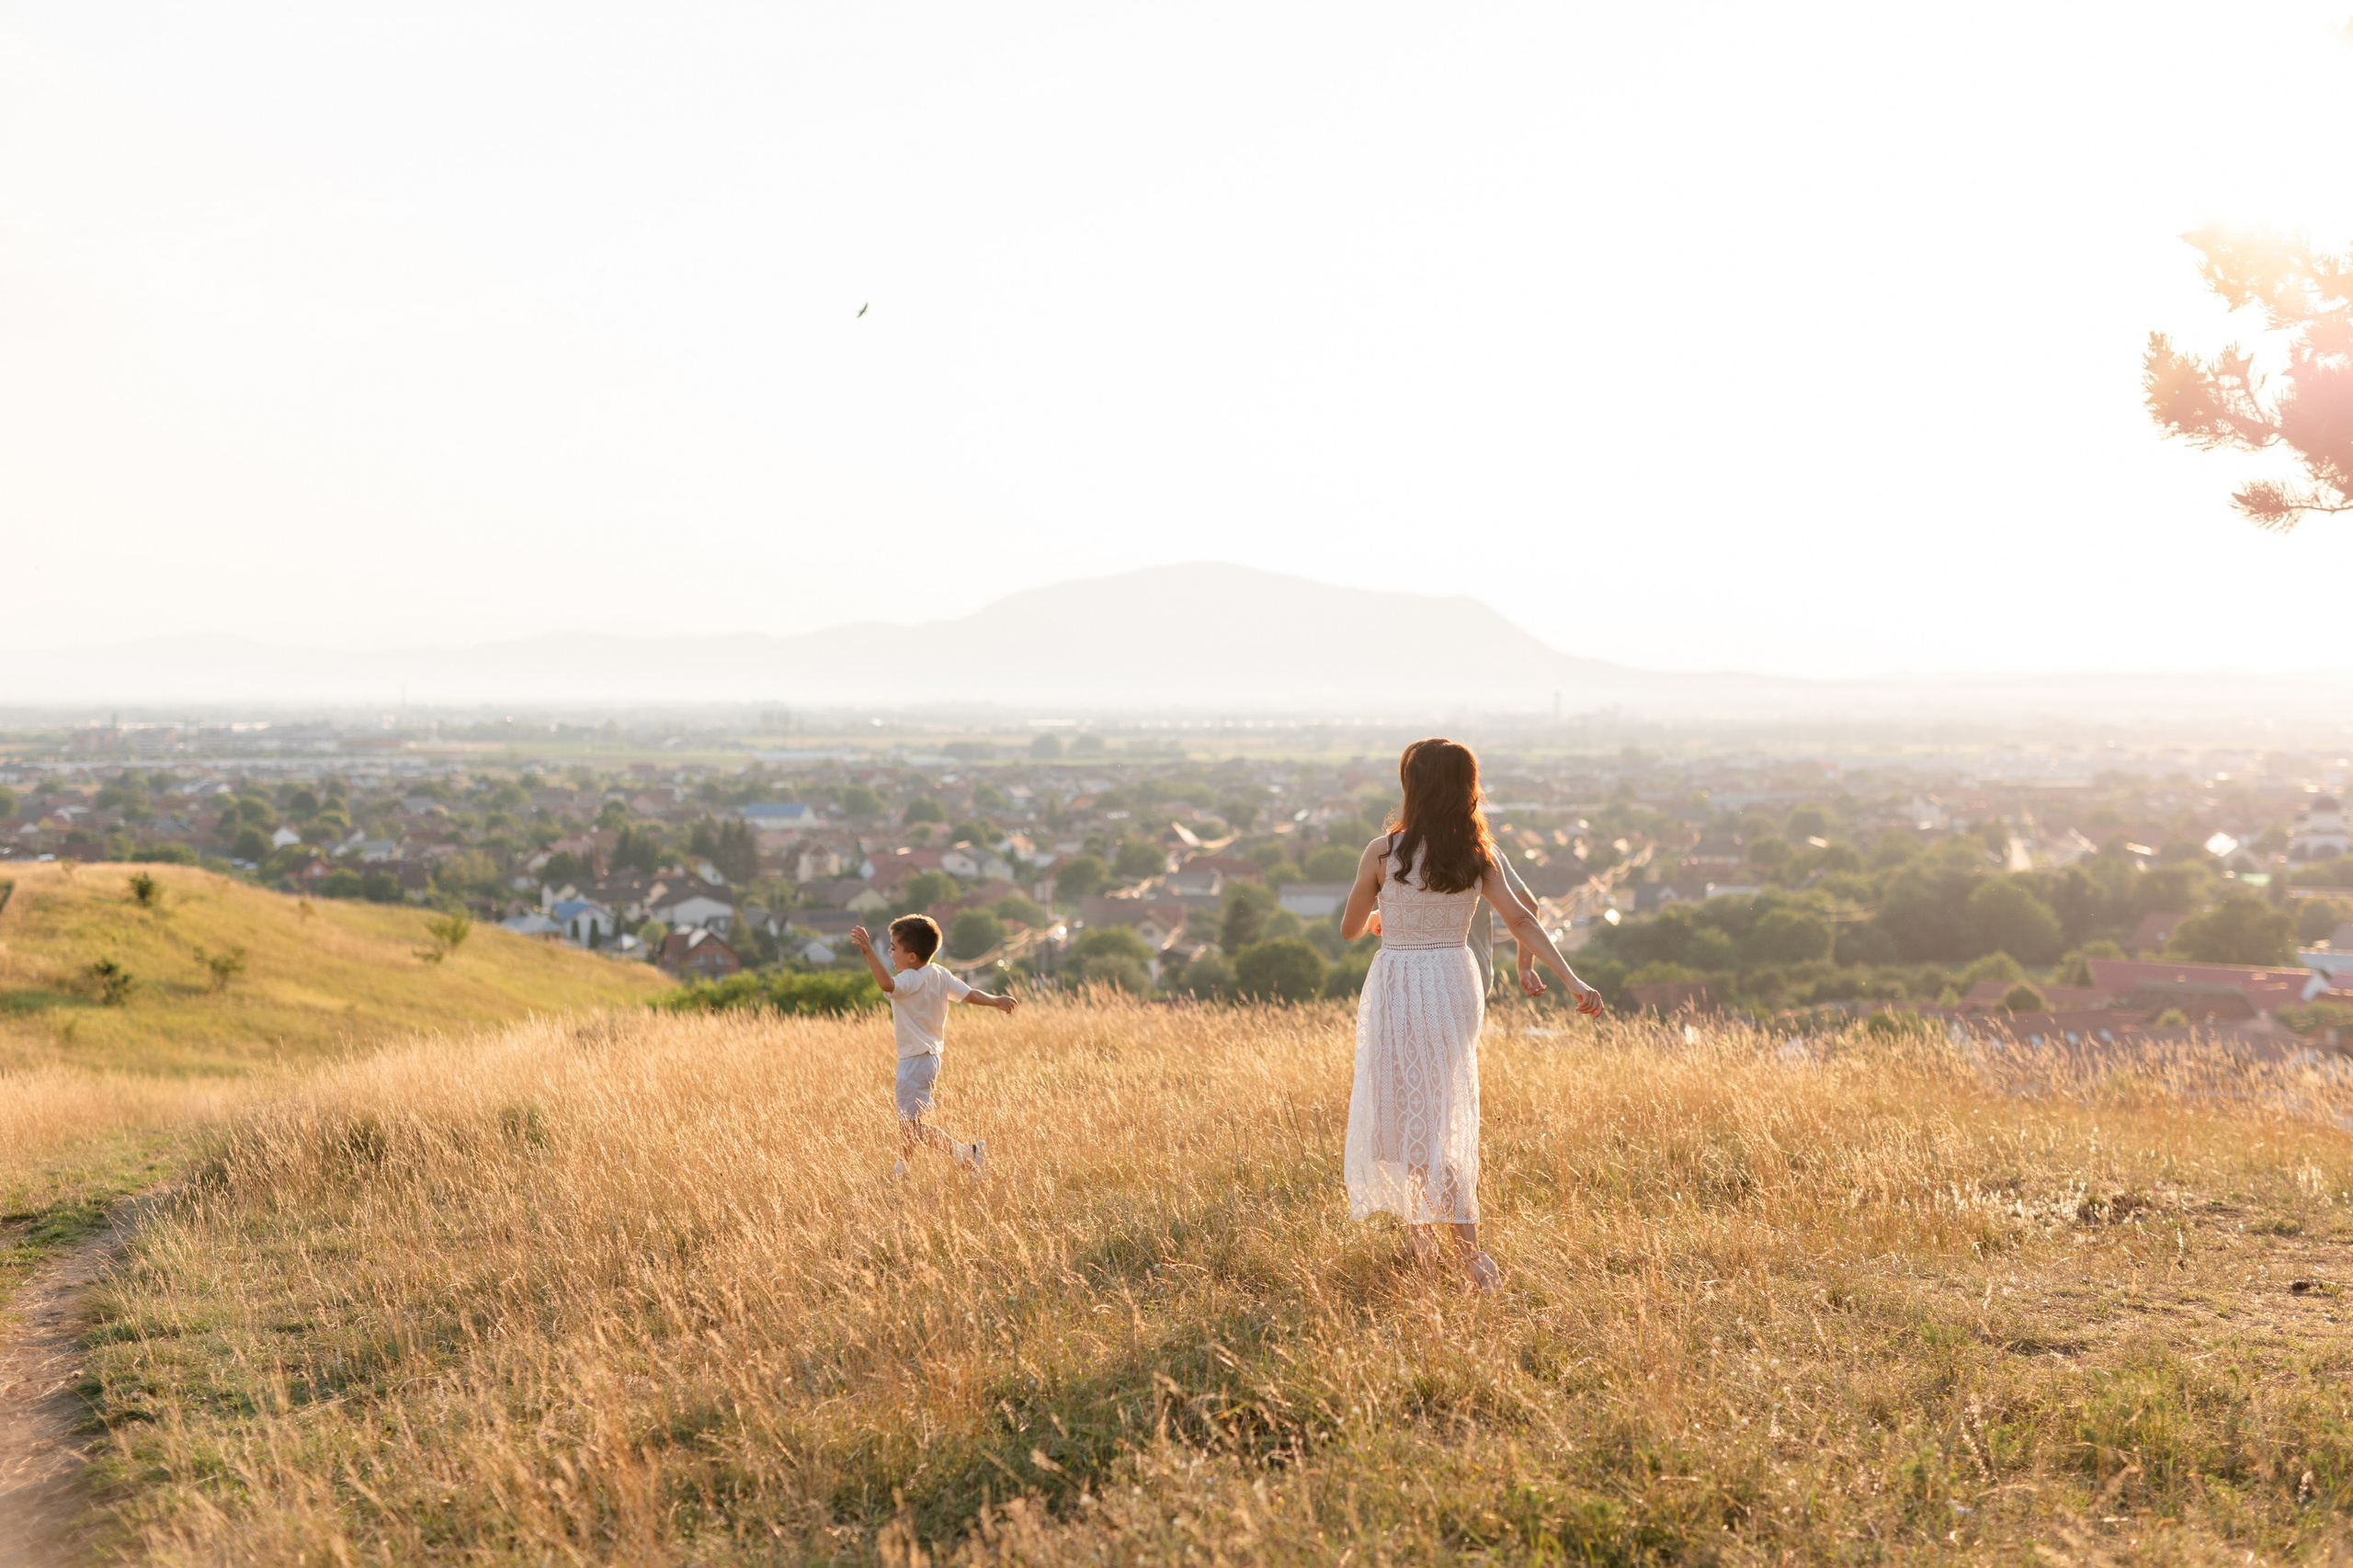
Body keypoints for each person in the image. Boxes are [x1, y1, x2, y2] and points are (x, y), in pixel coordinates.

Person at [1338, 738, 1603, 1293]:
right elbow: (1523, 920)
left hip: (1399, 981)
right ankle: (1446, 1246)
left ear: (1411, 786)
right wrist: (1572, 980)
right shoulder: (1477, 853)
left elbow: (1350, 929)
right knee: (1439, 1109)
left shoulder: (1382, 853)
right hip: (1455, 983)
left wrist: (1385, 918)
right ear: (1466, 788)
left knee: (1412, 1109)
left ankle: (1451, 1250)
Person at [849, 914, 1017, 1180]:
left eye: (893, 948)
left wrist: (869, 952)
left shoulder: (909, 979)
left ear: (911, 957)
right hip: (930, 1058)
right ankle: (902, 1169)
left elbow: (886, 984)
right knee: (909, 1123)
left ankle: (965, 1151)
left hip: (913, 1060)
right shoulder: (940, 974)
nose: (890, 953)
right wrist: (995, 1000)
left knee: (910, 1126)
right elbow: (969, 994)